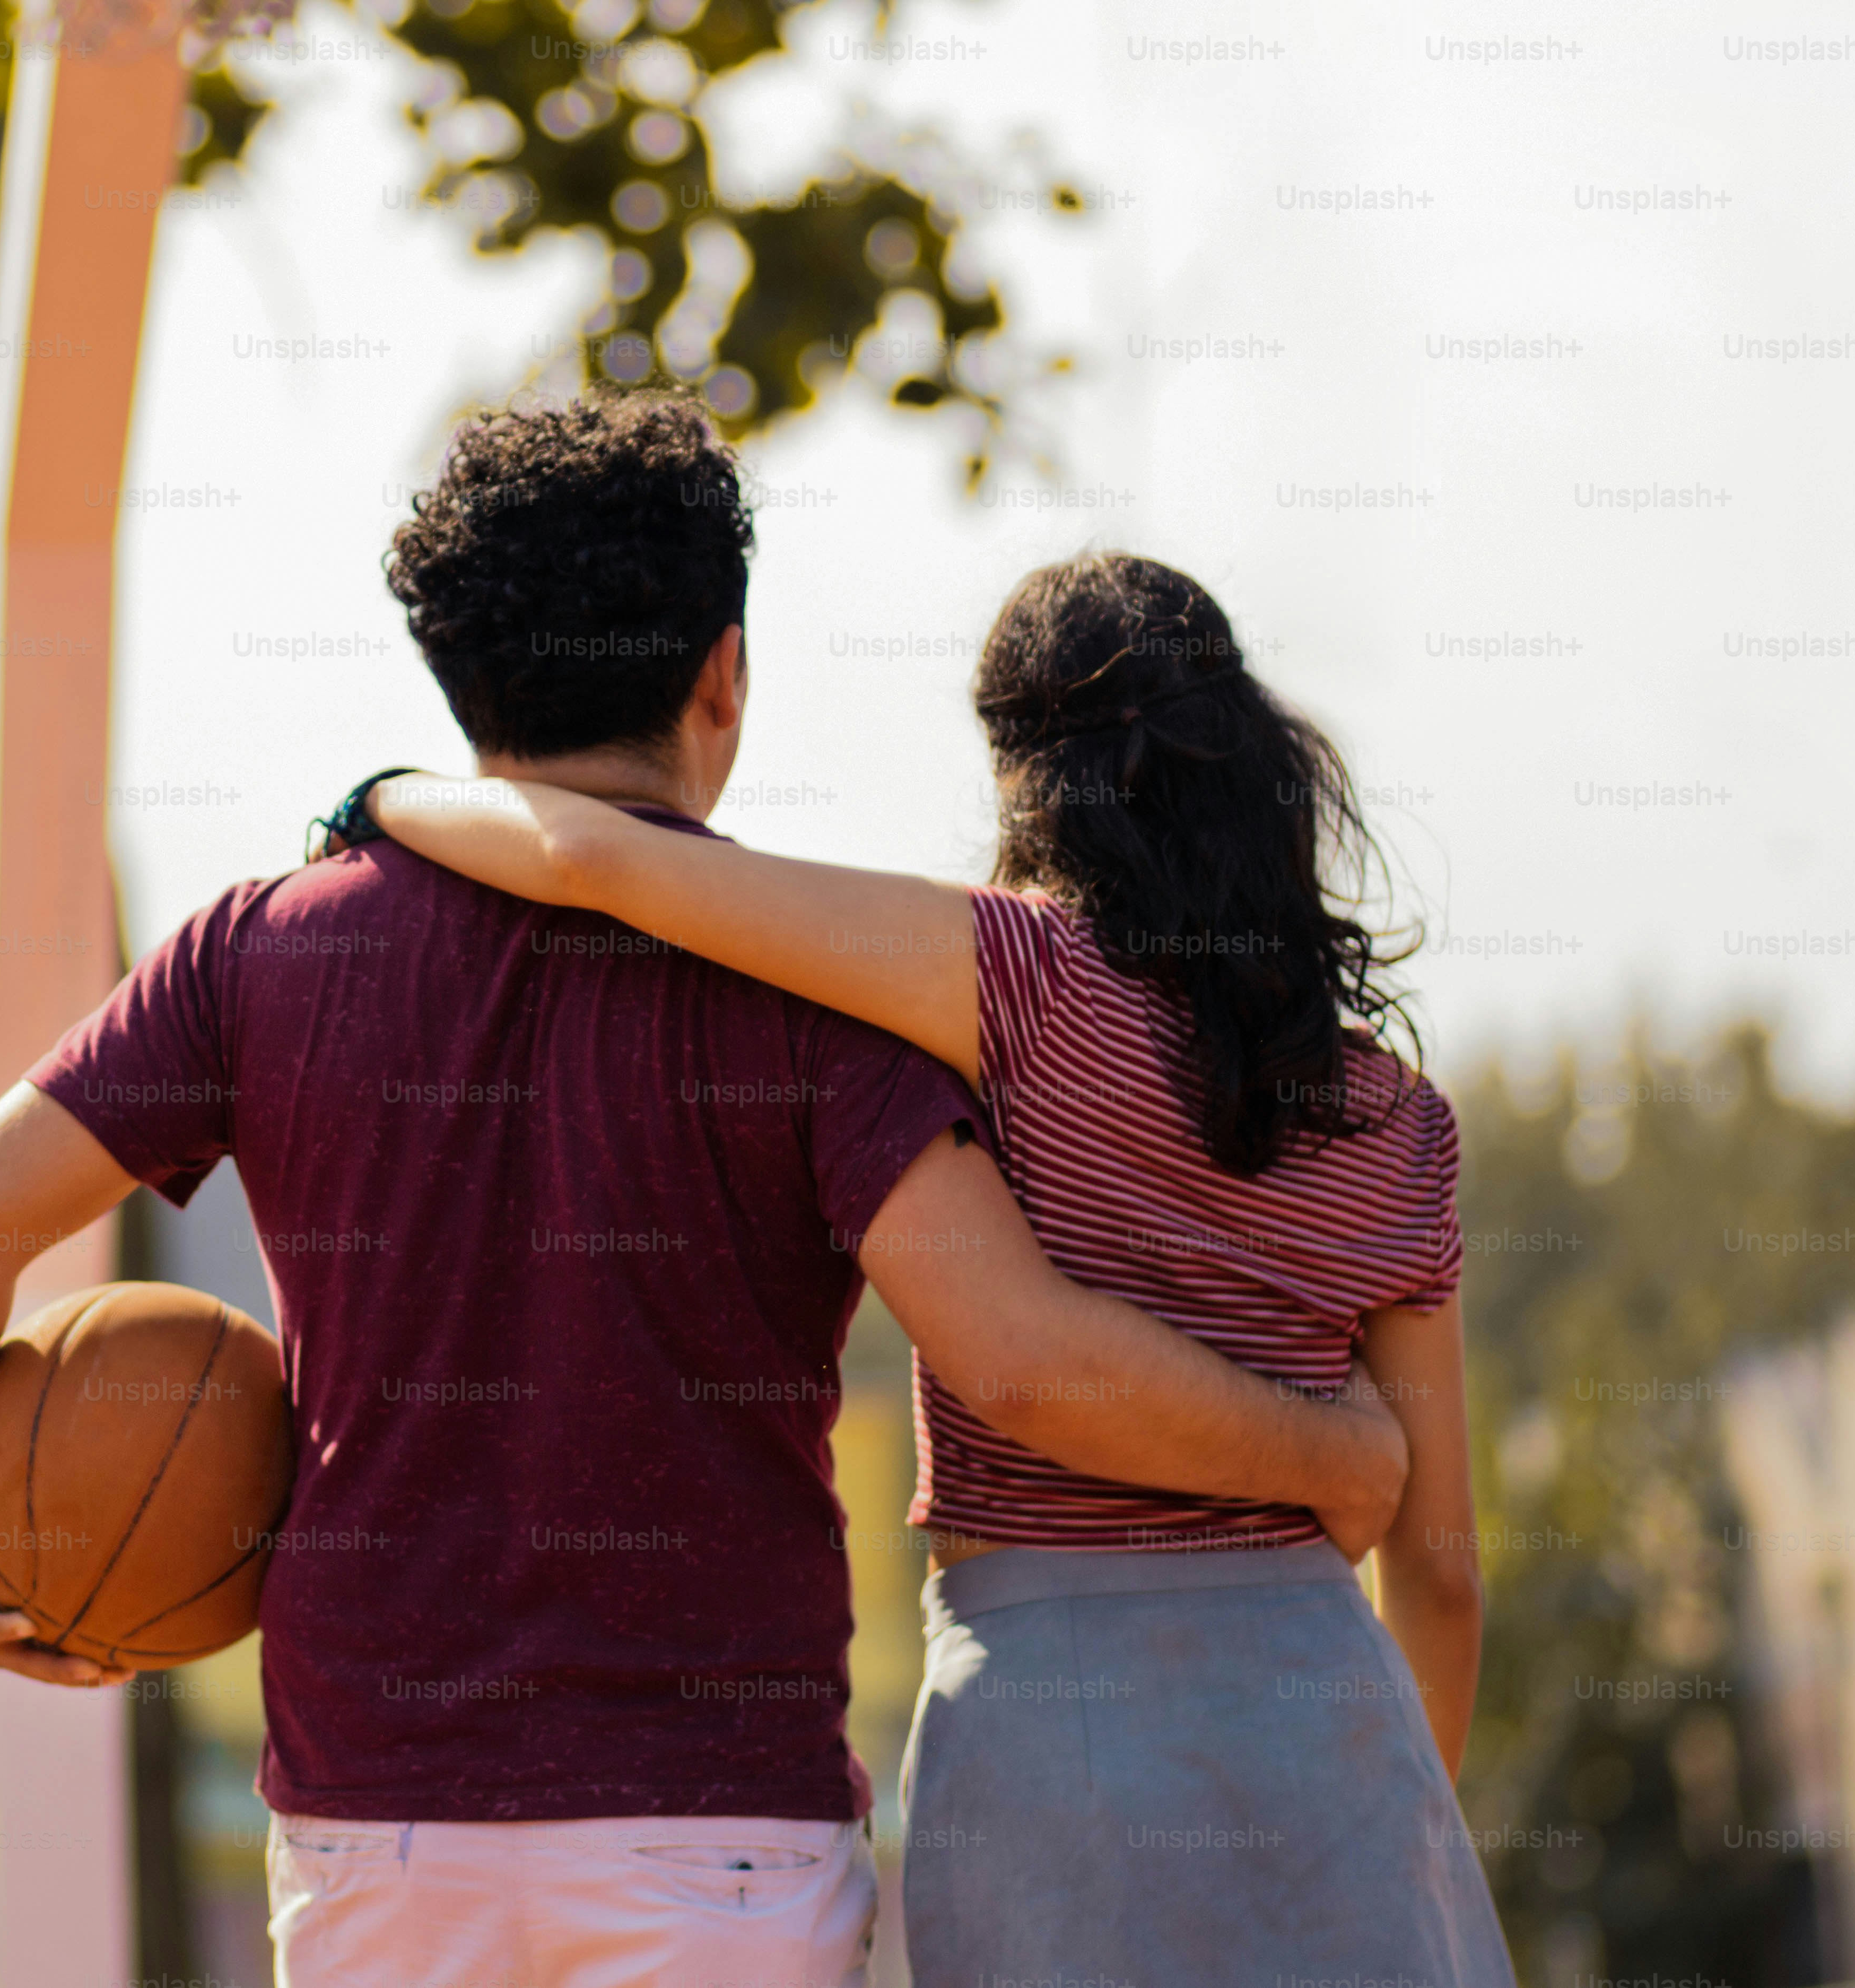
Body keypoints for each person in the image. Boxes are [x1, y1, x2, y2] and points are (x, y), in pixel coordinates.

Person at [0, 395, 1408, 1988]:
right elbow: (1023, 1358)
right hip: (717, 1843)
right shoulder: (822, 997)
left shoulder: (251, 951)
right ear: (724, 675)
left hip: (374, 1838)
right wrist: (1340, 1454)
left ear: (456, 676)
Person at [359, 549, 1517, 1985]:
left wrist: (390, 799)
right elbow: (1444, 1570)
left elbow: (599, 860)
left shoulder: (1009, 984)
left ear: (1022, 772)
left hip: (1057, 1734)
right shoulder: (1401, 1123)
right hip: (1343, 1733)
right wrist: (1396, 1817)